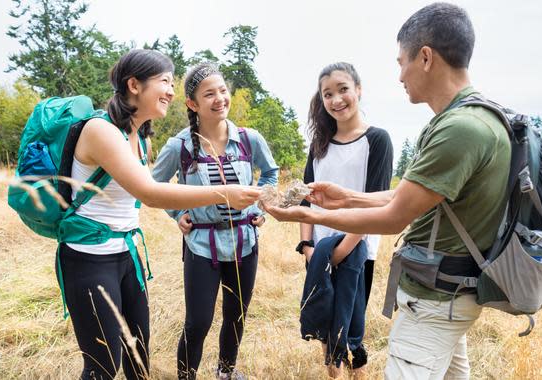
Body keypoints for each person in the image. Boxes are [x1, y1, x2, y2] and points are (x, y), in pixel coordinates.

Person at [265, 3, 511, 379]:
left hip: (436, 301)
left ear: (425, 57)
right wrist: (346, 199)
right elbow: (404, 197)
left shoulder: (459, 129)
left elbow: (396, 216)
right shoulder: (467, 118)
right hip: (447, 295)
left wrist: (307, 214)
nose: (399, 76)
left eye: (401, 62)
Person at [57, 50, 260, 380]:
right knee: (103, 365)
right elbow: (150, 193)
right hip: (89, 258)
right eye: (165, 82)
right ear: (134, 85)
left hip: (126, 255)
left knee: (138, 355)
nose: (170, 91)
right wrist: (226, 194)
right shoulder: (101, 130)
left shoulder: (139, 139)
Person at [152, 63, 279, 380]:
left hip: (245, 243)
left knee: (236, 316)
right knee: (198, 322)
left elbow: (272, 173)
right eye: (209, 94)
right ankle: (186, 377)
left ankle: (226, 372)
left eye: (223, 91)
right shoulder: (179, 146)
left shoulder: (250, 140)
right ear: (192, 104)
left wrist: (262, 207)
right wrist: (176, 213)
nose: (219, 98)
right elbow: (154, 186)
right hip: (201, 247)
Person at [297, 62, 392, 378]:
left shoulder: (377, 140)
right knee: (326, 327)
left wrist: (342, 250)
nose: (336, 99)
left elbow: (375, 204)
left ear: (359, 90)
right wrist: (308, 245)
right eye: (328, 94)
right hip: (320, 250)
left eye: (343, 90)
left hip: (358, 251)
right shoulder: (319, 145)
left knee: (351, 331)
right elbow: (305, 198)